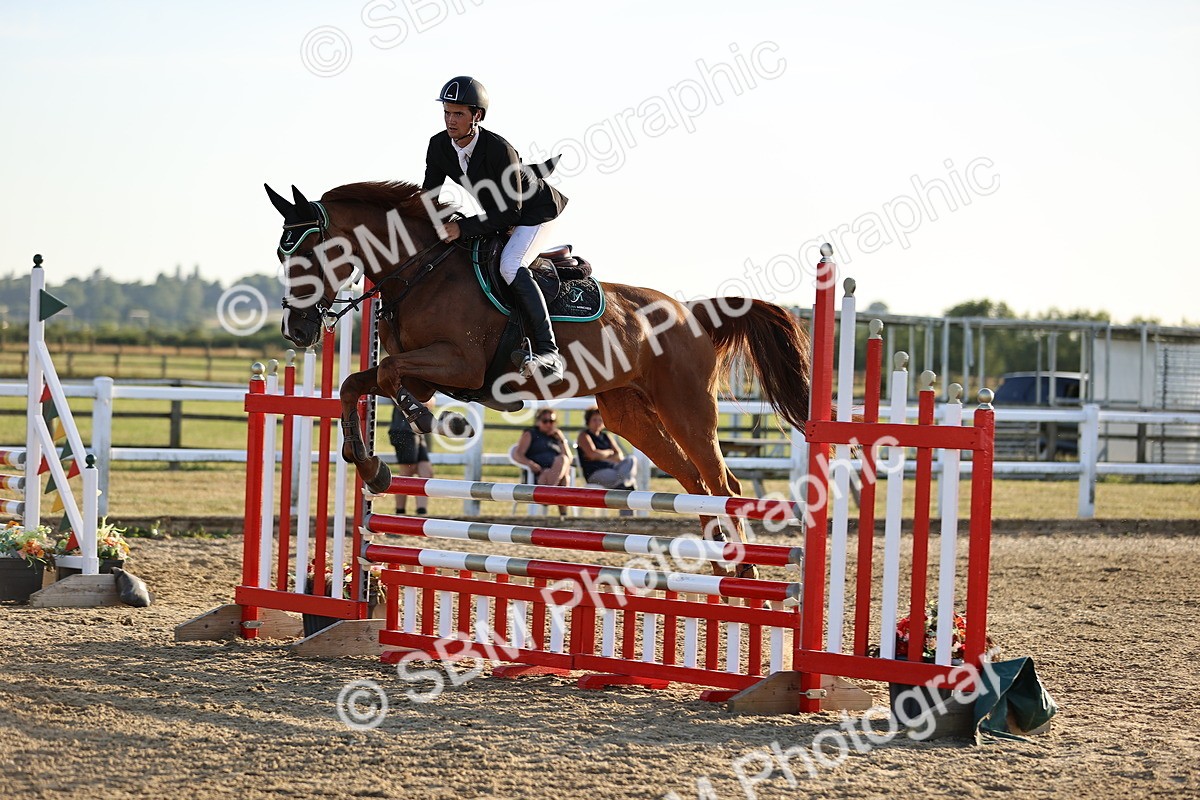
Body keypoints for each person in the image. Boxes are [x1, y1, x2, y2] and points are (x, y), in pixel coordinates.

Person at [422, 75, 569, 381]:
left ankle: (548, 351)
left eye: (459, 113)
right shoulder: (439, 146)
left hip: (534, 214)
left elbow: (511, 213)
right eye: (447, 112)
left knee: (509, 265)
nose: (451, 120)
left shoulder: (500, 150)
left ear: (477, 116)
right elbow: (428, 197)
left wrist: (462, 228)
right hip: (501, 215)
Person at [389, 399, 434, 515]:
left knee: (426, 470)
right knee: (407, 470)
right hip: (403, 430)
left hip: (417, 431)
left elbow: (431, 401)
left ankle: (421, 511)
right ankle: (400, 510)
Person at [513, 410, 572, 498]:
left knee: (563, 466)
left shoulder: (555, 437)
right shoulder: (530, 434)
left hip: (553, 475)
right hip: (537, 476)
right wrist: (531, 464)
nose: (548, 424)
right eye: (545, 421)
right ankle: (550, 497)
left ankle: (549, 495)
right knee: (562, 465)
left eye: (551, 421)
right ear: (538, 422)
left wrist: (562, 440)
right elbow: (517, 454)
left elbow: (569, 459)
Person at [576, 408, 637, 490]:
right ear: (588, 421)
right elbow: (592, 455)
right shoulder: (584, 435)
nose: (597, 423)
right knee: (621, 477)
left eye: (600, 420)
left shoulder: (606, 436)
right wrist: (609, 452)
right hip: (596, 472)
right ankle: (626, 486)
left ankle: (623, 484)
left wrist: (601, 456)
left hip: (614, 469)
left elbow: (619, 455)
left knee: (631, 459)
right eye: (594, 420)